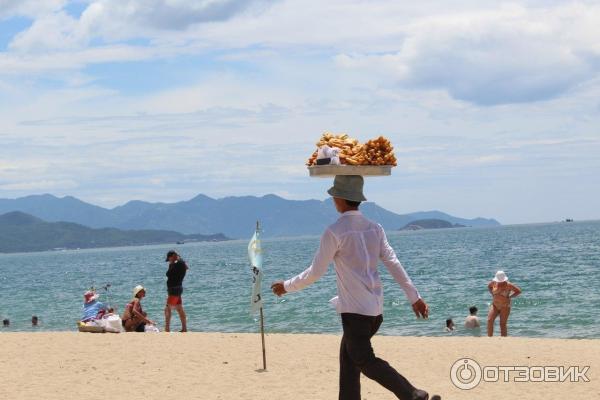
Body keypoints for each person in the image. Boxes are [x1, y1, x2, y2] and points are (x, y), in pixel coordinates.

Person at [271, 175, 440, 400]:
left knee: (363, 359)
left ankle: (413, 395)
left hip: (356, 315)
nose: (333, 200)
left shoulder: (334, 231)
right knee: (348, 361)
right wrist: (414, 297)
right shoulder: (375, 228)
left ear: (339, 198)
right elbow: (393, 263)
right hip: (375, 312)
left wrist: (286, 286)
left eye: (334, 196)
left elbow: (315, 272)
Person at [487, 270, 522, 337]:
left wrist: (510, 296)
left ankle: (503, 339)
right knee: (489, 320)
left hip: (505, 306)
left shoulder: (508, 285)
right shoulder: (494, 283)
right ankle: (490, 338)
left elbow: (518, 291)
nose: (500, 282)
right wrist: (492, 294)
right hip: (495, 305)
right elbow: (489, 286)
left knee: (502, 324)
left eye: (501, 280)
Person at [164, 250, 188, 332]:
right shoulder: (181, 263)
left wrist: (172, 263)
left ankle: (167, 329)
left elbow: (168, 274)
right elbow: (186, 267)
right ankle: (184, 328)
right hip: (178, 288)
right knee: (179, 308)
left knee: (167, 309)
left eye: (169, 259)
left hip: (174, 289)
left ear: (173, 256)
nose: (169, 261)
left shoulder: (176, 264)